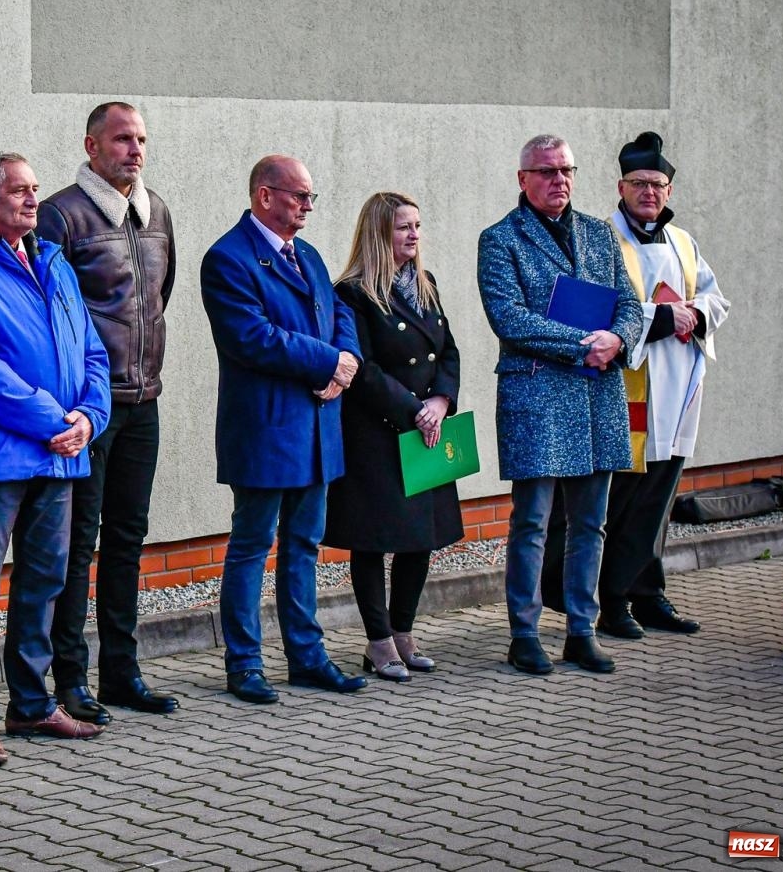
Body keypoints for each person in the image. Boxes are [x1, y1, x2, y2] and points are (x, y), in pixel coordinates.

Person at [0, 151, 112, 765]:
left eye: (35, 189)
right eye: (17, 191)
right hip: (1, 459)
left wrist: (90, 418)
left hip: (64, 454)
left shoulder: (54, 261)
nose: (32, 199)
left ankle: (32, 705)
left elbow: (93, 350)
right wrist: (51, 421)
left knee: (44, 582)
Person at [199, 154, 365, 705]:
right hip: (266, 429)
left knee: (304, 545)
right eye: (300, 196)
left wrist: (346, 364)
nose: (309, 207)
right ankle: (244, 664)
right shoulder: (227, 259)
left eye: (311, 197)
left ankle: (307, 656)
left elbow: (341, 314)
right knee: (252, 545)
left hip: (317, 426)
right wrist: (327, 364)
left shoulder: (309, 255)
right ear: (265, 196)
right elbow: (252, 337)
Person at [476, 135, 643, 676]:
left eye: (567, 169)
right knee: (533, 523)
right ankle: (524, 633)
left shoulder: (599, 233)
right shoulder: (501, 239)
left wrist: (616, 339)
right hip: (540, 395)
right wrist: (584, 344)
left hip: (597, 393)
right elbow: (509, 317)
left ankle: (581, 630)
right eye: (546, 171)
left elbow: (631, 305)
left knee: (591, 523)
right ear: (522, 178)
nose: (559, 180)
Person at [39, 102, 180, 723]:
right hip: (88, 411)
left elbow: (158, 297)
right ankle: (68, 677)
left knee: (127, 541)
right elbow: (51, 314)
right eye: (123, 139)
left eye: (142, 139)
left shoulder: (158, 215)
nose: (135, 150)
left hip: (143, 401)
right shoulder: (61, 214)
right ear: (92, 146)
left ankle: (122, 672)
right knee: (78, 545)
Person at [590, 133, 729, 637]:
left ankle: (649, 594)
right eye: (639, 183)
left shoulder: (684, 242)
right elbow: (601, 310)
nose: (649, 192)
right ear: (620, 187)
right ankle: (613, 601)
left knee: (661, 497)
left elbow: (716, 299)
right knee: (624, 499)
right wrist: (666, 317)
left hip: (679, 387)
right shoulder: (600, 238)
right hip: (629, 390)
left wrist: (695, 312)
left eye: (658, 184)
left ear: (669, 190)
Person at [324, 193, 463, 682]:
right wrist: (413, 410)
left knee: (419, 539)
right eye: (404, 227)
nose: (414, 235)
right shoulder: (353, 293)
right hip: (379, 433)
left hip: (426, 428)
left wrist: (441, 402)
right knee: (373, 540)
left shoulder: (427, 285)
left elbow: (448, 352)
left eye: (418, 226)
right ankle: (378, 641)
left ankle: (404, 632)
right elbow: (364, 369)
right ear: (379, 233)